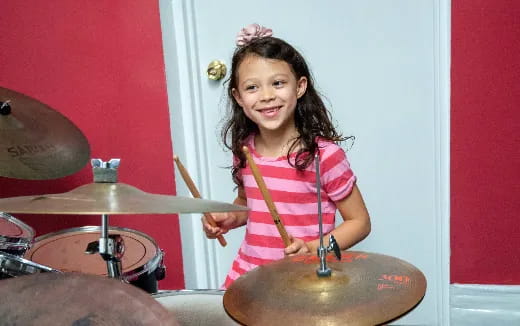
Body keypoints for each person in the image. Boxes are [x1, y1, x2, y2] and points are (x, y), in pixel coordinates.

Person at [202, 23, 371, 289]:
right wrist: (230, 218)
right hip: (249, 276)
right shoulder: (245, 150)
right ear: (238, 97)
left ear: (300, 86)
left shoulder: (324, 156)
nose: (267, 96)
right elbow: (249, 204)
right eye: (252, 87)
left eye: (278, 83)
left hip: (303, 280)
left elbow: (359, 222)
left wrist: (314, 248)